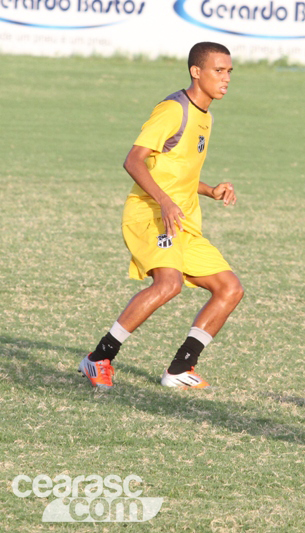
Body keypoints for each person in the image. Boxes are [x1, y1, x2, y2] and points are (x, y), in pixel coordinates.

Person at [79, 42, 244, 390]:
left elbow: (175, 172)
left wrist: (211, 190)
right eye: (219, 70)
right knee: (168, 283)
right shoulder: (173, 110)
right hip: (150, 213)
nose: (226, 78)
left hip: (180, 220)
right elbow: (134, 160)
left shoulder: (206, 116)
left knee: (229, 288)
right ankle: (98, 359)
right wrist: (167, 202)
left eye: (229, 71)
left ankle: (180, 369)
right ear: (195, 72)